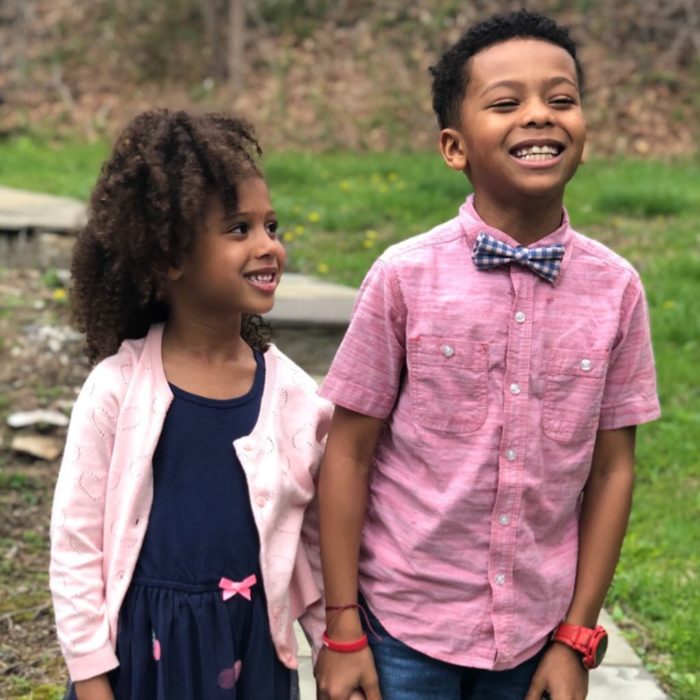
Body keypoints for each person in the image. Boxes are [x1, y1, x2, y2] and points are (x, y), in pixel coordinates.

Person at [315, 9, 660, 700]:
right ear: (454, 146)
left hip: (538, 636)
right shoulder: (403, 277)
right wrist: (342, 628)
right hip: (402, 628)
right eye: (507, 103)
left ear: (584, 133)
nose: (540, 115)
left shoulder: (617, 289)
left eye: (561, 99)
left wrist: (577, 635)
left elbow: (613, 469)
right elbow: (347, 453)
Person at [49, 109, 331, 700]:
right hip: (139, 661)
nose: (268, 247)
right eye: (238, 230)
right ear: (167, 258)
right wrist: (92, 679)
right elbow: (77, 547)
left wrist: (334, 648)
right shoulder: (116, 390)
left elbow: (311, 543)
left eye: (271, 226)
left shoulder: (296, 398)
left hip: (248, 652)